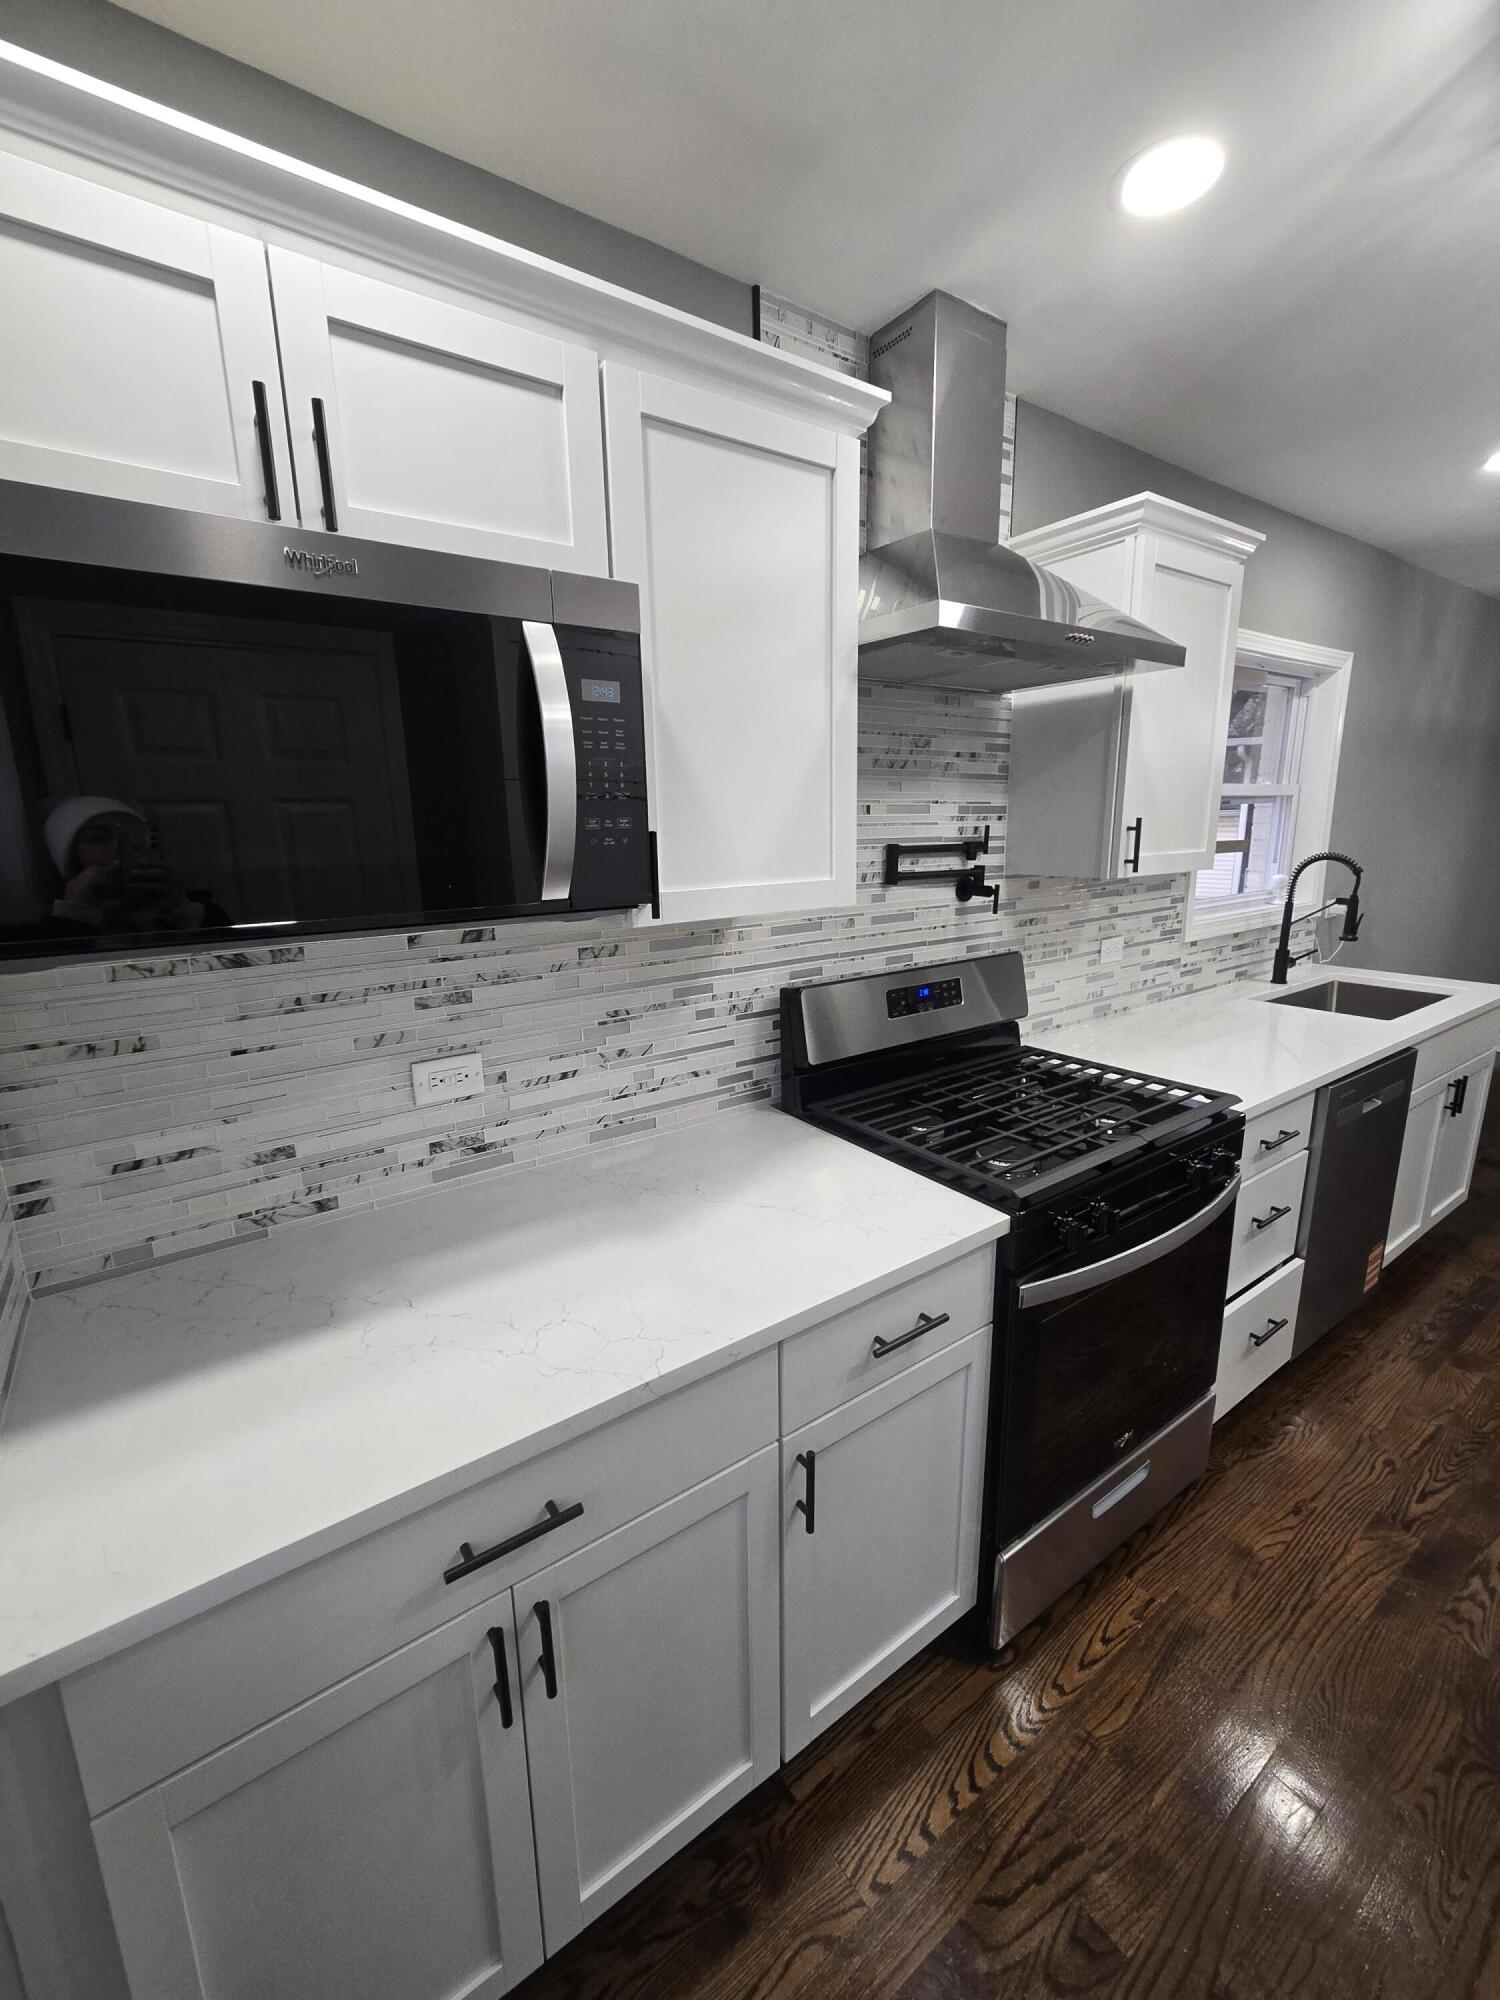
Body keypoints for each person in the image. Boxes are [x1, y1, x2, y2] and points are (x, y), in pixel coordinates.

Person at [35, 795, 228, 939]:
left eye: (132, 838)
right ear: (72, 858)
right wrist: (74, 917)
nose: (118, 849)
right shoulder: (47, 932)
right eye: (99, 839)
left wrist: (184, 912)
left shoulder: (194, 910)